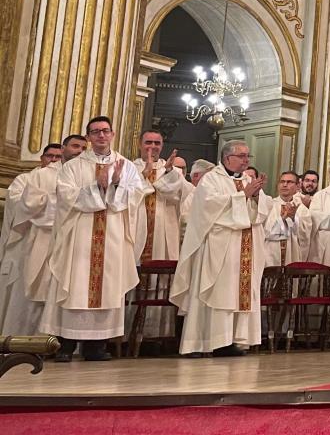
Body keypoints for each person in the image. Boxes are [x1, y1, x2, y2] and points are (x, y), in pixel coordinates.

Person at [39, 116, 151, 361]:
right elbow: (66, 197)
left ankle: (97, 347)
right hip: (81, 235)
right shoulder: (74, 166)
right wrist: (95, 188)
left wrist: (118, 185)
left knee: (108, 287)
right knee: (75, 284)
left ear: (112, 134)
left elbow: (135, 197)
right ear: (88, 137)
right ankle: (66, 346)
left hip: (112, 235)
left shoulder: (127, 166)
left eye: (105, 131)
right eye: (95, 132)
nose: (101, 135)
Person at [171, 141, 273, 357]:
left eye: (248, 156)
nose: (246, 160)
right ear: (227, 158)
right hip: (220, 247)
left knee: (236, 294)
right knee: (220, 292)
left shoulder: (248, 180)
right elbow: (208, 208)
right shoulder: (211, 179)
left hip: (244, 247)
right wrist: (243, 196)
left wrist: (255, 197)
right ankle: (204, 341)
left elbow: (261, 213)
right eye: (242, 156)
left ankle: (232, 340)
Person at [0, 144, 64, 335]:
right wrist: (52, 200)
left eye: (57, 157)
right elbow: (18, 204)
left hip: (54, 243)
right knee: (22, 293)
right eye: (50, 156)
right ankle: (15, 335)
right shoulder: (24, 179)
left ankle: (46, 339)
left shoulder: (64, 180)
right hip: (26, 243)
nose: (53, 160)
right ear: (41, 158)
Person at [133, 130, 191, 265]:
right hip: (136, 227)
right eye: (148, 142)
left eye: (157, 143)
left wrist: (170, 173)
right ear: (139, 144)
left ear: (162, 146)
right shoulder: (129, 168)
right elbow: (124, 197)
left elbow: (185, 196)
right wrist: (143, 176)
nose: (153, 146)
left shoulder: (172, 170)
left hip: (164, 229)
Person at [265, 171, 313, 267]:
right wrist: (283, 219)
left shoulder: (301, 209)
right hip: (270, 256)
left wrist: (294, 219)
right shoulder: (269, 205)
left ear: (297, 186)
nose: (285, 185)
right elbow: (265, 232)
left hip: (292, 255)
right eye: (282, 182)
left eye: (289, 182)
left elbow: (305, 236)